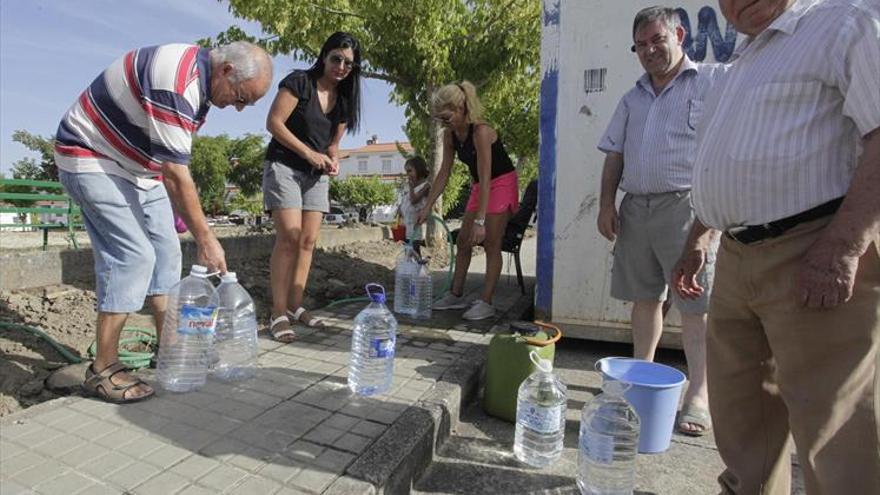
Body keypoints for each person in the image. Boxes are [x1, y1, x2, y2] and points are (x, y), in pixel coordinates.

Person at [672, 0, 880, 492]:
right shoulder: (746, 56)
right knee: (743, 416)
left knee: (834, 429)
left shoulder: (843, 24)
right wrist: (699, 236)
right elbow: (731, 159)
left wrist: (844, 246)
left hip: (815, 249)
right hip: (739, 255)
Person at [54, 41, 273, 403]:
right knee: (133, 255)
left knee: (168, 254)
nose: (238, 107)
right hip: (90, 154)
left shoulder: (202, 88)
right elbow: (175, 172)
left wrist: (183, 216)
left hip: (140, 169)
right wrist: (206, 237)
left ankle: (170, 350)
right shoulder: (177, 80)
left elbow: (170, 160)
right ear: (227, 70)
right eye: (240, 98)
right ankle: (103, 368)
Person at [596, 6, 723, 435]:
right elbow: (615, 153)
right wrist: (606, 204)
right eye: (642, 45)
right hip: (637, 208)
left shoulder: (710, 82)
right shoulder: (631, 97)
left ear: (679, 35)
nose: (650, 50)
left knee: (694, 305)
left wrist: (710, 222)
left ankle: (698, 398)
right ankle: (639, 382)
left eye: (657, 40)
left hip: (687, 209)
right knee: (644, 299)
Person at [263, 32, 362, 342]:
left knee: (307, 242)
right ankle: (277, 313)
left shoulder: (343, 100)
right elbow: (274, 123)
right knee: (289, 239)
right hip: (285, 167)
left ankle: (295, 307)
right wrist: (308, 153)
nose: (342, 66)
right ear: (324, 56)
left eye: (349, 63)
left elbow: (333, 145)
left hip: (315, 175)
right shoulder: (299, 82)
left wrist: (333, 161)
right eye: (337, 58)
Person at [418, 81, 519, 321]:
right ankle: (455, 294)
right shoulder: (450, 136)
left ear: (462, 107)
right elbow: (443, 173)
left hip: (501, 182)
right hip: (480, 185)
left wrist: (481, 220)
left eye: (447, 116)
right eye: (441, 118)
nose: (445, 122)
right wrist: (428, 204)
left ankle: (486, 301)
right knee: (463, 241)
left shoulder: (481, 131)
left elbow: (486, 177)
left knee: (490, 243)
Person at [397, 156, 431, 255]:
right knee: (408, 250)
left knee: (414, 250)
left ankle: (418, 268)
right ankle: (411, 268)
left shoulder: (426, 186)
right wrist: (400, 209)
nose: (408, 174)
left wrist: (411, 188)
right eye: (406, 172)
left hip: (416, 225)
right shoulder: (411, 186)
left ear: (419, 169)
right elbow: (406, 200)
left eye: (410, 171)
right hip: (408, 224)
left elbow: (414, 201)